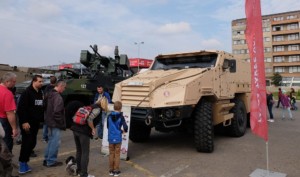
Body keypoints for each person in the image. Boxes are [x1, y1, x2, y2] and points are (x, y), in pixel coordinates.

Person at [17, 75, 44, 174]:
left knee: (32, 143)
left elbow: (40, 107)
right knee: (27, 144)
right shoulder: (27, 93)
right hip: (27, 124)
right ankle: (22, 164)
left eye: (42, 81)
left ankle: (25, 161)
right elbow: (21, 108)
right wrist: (24, 122)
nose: (41, 83)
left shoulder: (40, 92)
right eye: (40, 81)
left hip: (35, 123)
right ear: (34, 81)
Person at [70, 99, 103, 177]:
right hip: (83, 132)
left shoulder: (89, 107)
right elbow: (89, 119)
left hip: (75, 129)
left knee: (79, 151)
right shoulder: (98, 109)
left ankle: (79, 171)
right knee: (85, 152)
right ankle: (84, 174)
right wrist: (93, 129)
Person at [43, 80, 66, 167]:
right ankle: (51, 161)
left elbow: (44, 107)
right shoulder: (58, 97)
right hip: (55, 123)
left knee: (51, 141)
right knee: (55, 142)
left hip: (49, 121)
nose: (64, 90)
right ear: (60, 86)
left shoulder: (49, 94)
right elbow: (57, 112)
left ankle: (46, 159)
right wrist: (60, 123)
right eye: (64, 88)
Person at [107, 101, 128, 176]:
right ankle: (116, 170)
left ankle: (111, 170)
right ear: (120, 108)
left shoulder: (109, 116)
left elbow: (108, 126)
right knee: (117, 154)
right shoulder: (121, 117)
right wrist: (123, 131)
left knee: (111, 153)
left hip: (110, 138)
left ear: (114, 107)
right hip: (118, 138)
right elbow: (125, 127)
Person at [0, 72, 19, 152]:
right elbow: (10, 113)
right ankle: (5, 163)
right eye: (14, 81)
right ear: (7, 81)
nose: (15, 83)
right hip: (4, 122)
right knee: (6, 145)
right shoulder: (7, 93)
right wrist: (14, 129)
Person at [42, 76, 57, 143]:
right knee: (51, 123)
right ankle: (49, 137)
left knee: (45, 123)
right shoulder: (54, 89)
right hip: (51, 108)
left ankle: (44, 138)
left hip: (46, 107)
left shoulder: (46, 88)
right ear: (55, 82)